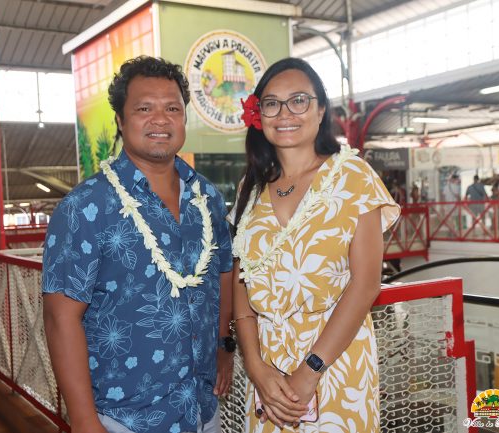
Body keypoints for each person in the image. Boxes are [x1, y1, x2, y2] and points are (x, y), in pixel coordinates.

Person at [42, 56, 234, 433]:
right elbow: (60, 317)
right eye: (145, 108)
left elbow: (224, 271)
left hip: (202, 407)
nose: (160, 120)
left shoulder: (206, 197)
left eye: (172, 109)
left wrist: (224, 344)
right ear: (120, 119)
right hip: (125, 417)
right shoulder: (86, 207)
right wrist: (84, 421)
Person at [230, 57, 400, 433]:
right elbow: (242, 285)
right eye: (272, 103)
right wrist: (255, 367)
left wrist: (310, 371)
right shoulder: (250, 188)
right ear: (259, 114)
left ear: (321, 110)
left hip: (335, 364)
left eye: (299, 100)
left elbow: (366, 284)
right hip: (268, 373)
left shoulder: (352, 176)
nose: (285, 113)